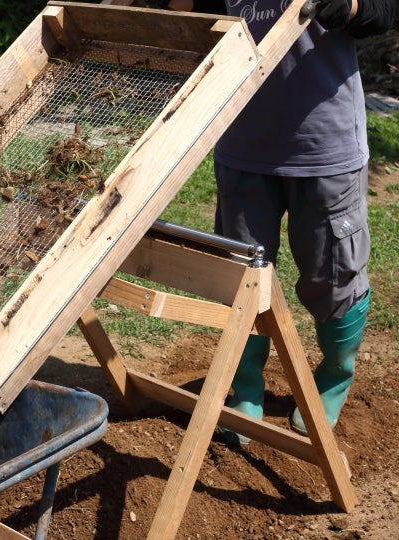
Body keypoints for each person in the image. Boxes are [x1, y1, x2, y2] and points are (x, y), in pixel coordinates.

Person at [162, 0, 396, 445]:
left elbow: (383, 12)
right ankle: (246, 384)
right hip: (243, 143)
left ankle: (333, 376)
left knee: (333, 275)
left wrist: (349, 7)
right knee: (241, 275)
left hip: (323, 145)